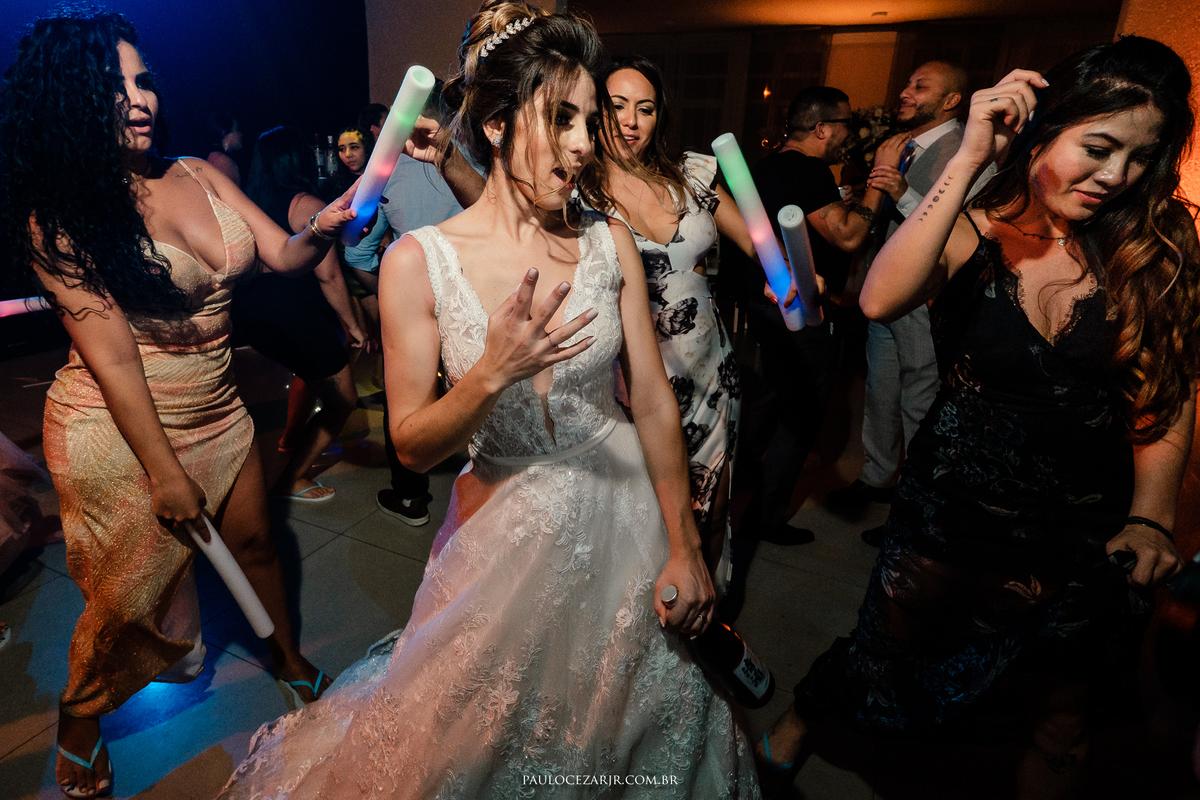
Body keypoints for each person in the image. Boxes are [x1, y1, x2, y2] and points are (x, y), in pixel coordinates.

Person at [218, 3, 759, 797]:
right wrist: (489, 374)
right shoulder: (418, 262)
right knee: (476, 742)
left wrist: (686, 545)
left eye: (589, 120)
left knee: (629, 722)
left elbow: (649, 398)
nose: (584, 143)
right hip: (507, 533)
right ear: (499, 125)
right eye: (562, 118)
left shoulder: (608, 241)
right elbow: (412, 446)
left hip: (627, 513)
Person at [757, 36, 1196, 800]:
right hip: (954, 517)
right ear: (1044, 132)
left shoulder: (1154, 245)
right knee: (882, 663)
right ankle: (794, 729)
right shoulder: (976, 227)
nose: (1116, 175)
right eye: (1098, 148)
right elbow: (879, 298)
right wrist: (966, 159)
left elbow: (1167, 390)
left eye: (1140, 157)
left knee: (1063, 717)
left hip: (1084, 532)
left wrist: (1152, 516)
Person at [0, 12, 361, 797]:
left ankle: (287, 658)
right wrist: (166, 474)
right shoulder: (57, 219)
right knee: (127, 596)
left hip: (217, 406)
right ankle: (80, 716)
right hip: (116, 425)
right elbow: (115, 360)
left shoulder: (198, 171)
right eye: (114, 86)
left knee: (257, 543)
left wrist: (325, 224)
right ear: (68, 101)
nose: (140, 100)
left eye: (144, 81)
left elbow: (283, 254)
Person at [579, 55, 755, 574]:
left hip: (710, 371)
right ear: (594, 111)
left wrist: (786, 276)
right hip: (628, 380)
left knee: (713, 509)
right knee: (641, 521)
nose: (631, 121)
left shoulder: (692, 175)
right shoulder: (576, 193)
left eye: (646, 108)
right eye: (617, 106)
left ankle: (706, 611)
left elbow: (759, 244)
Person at [732, 86, 892, 547]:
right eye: (844, 124)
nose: (848, 134)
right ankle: (765, 517)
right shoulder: (809, 170)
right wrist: (878, 187)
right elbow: (848, 235)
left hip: (762, 304)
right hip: (801, 308)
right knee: (800, 412)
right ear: (821, 129)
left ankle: (739, 487)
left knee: (768, 399)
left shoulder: (764, 167)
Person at [826, 61, 974, 544]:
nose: (905, 92)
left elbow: (963, 231)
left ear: (951, 101)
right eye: (908, 83)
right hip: (885, 293)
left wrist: (902, 191)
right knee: (881, 391)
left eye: (919, 86)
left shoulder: (965, 153)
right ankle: (876, 478)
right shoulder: (904, 145)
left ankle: (915, 506)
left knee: (920, 401)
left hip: (926, 298)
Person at [343, 83, 484, 526]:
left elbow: (356, 254)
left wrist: (393, 288)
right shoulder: (481, 163)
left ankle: (409, 497)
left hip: (415, 305)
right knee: (481, 388)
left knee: (408, 398)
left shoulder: (388, 172)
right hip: (477, 301)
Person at [239, 126, 370, 501]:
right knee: (344, 399)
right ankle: (292, 478)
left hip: (252, 310)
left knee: (312, 377)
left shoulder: (251, 203)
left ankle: (288, 441)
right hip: (293, 315)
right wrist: (354, 325)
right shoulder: (306, 204)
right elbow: (329, 276)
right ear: (298, 159)